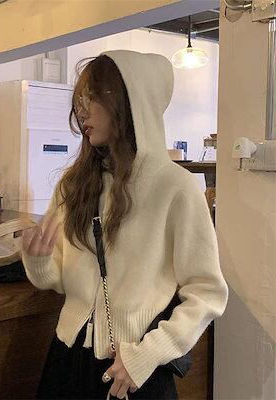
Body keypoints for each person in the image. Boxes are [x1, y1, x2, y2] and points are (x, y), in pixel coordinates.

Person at [21, 50, 229, 399]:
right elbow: (57, 279)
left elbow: (207, 291)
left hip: (134, 369)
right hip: (67, 356)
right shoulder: (74, 185)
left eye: (94, 98)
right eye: (80, 100)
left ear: (130, 101)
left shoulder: (175, 187)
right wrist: (39, 260)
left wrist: (150, 353)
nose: (82, 112)